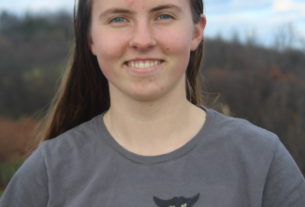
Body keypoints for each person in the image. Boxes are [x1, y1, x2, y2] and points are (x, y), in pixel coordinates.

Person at [1, 0, 305, 206]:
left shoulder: (262, 159)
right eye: (119, 18)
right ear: (90, 39)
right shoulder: (48, 172)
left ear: (196, 31)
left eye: (163, 15)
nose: (143, 40)